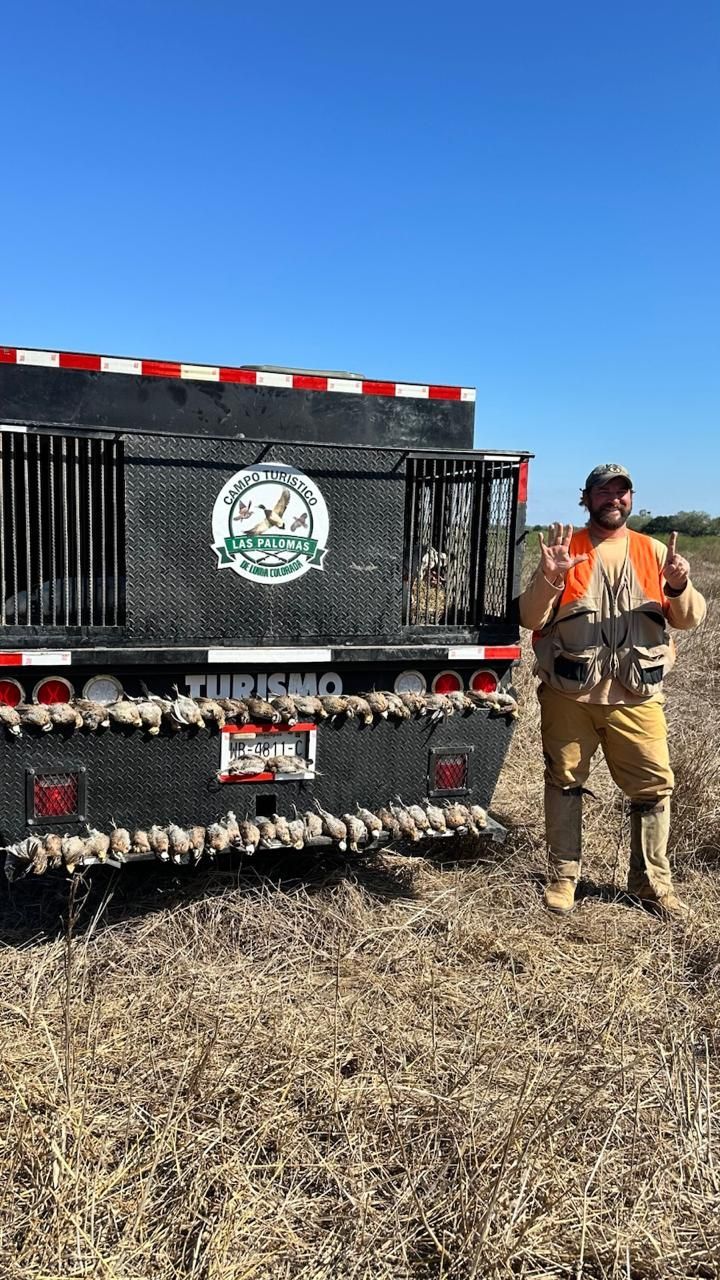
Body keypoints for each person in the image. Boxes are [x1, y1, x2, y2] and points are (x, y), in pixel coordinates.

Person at [519, 463, 706, 919]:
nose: (613, 499)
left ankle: (651, 883)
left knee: (653, 788)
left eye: (621, 492)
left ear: (631, 498)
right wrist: (550, 578)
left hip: (637, 699)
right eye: (603, 492)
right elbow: (529, 619)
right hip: (570, 695)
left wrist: (679, 585)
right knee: (564, 783)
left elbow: (690, 618)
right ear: (586, 498)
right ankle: (563, 878)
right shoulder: (568, 548)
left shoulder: (654, 550)